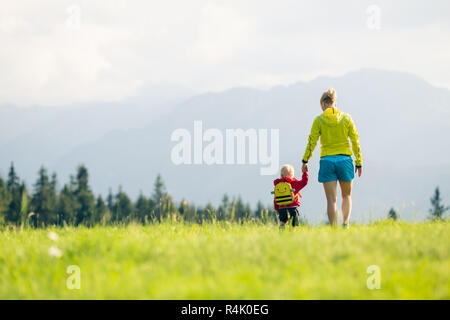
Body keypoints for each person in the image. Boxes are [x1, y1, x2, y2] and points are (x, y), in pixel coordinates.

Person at [301, 88, 363, 228]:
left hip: (327, 161)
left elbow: (312, 142)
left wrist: (305, 160)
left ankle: (334, 229)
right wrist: (359, 162)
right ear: (335, 102)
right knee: (346, 196)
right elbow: (355, 141)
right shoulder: (347, 118)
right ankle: (345, 224)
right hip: (345, 160)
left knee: (331, 199)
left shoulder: (319, 120)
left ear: (323, 103)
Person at [273, 164, 309, 228]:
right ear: (292, 175)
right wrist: (305, 173)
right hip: (293, 207)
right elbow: (304, 182)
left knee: (282, 221)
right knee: (294, 223)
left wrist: (277, 209)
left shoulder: (278, 185)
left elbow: (276, 198)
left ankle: (281, 230)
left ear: (281, 175)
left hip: (281, 207)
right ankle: (292, 233)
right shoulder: (294, 183)